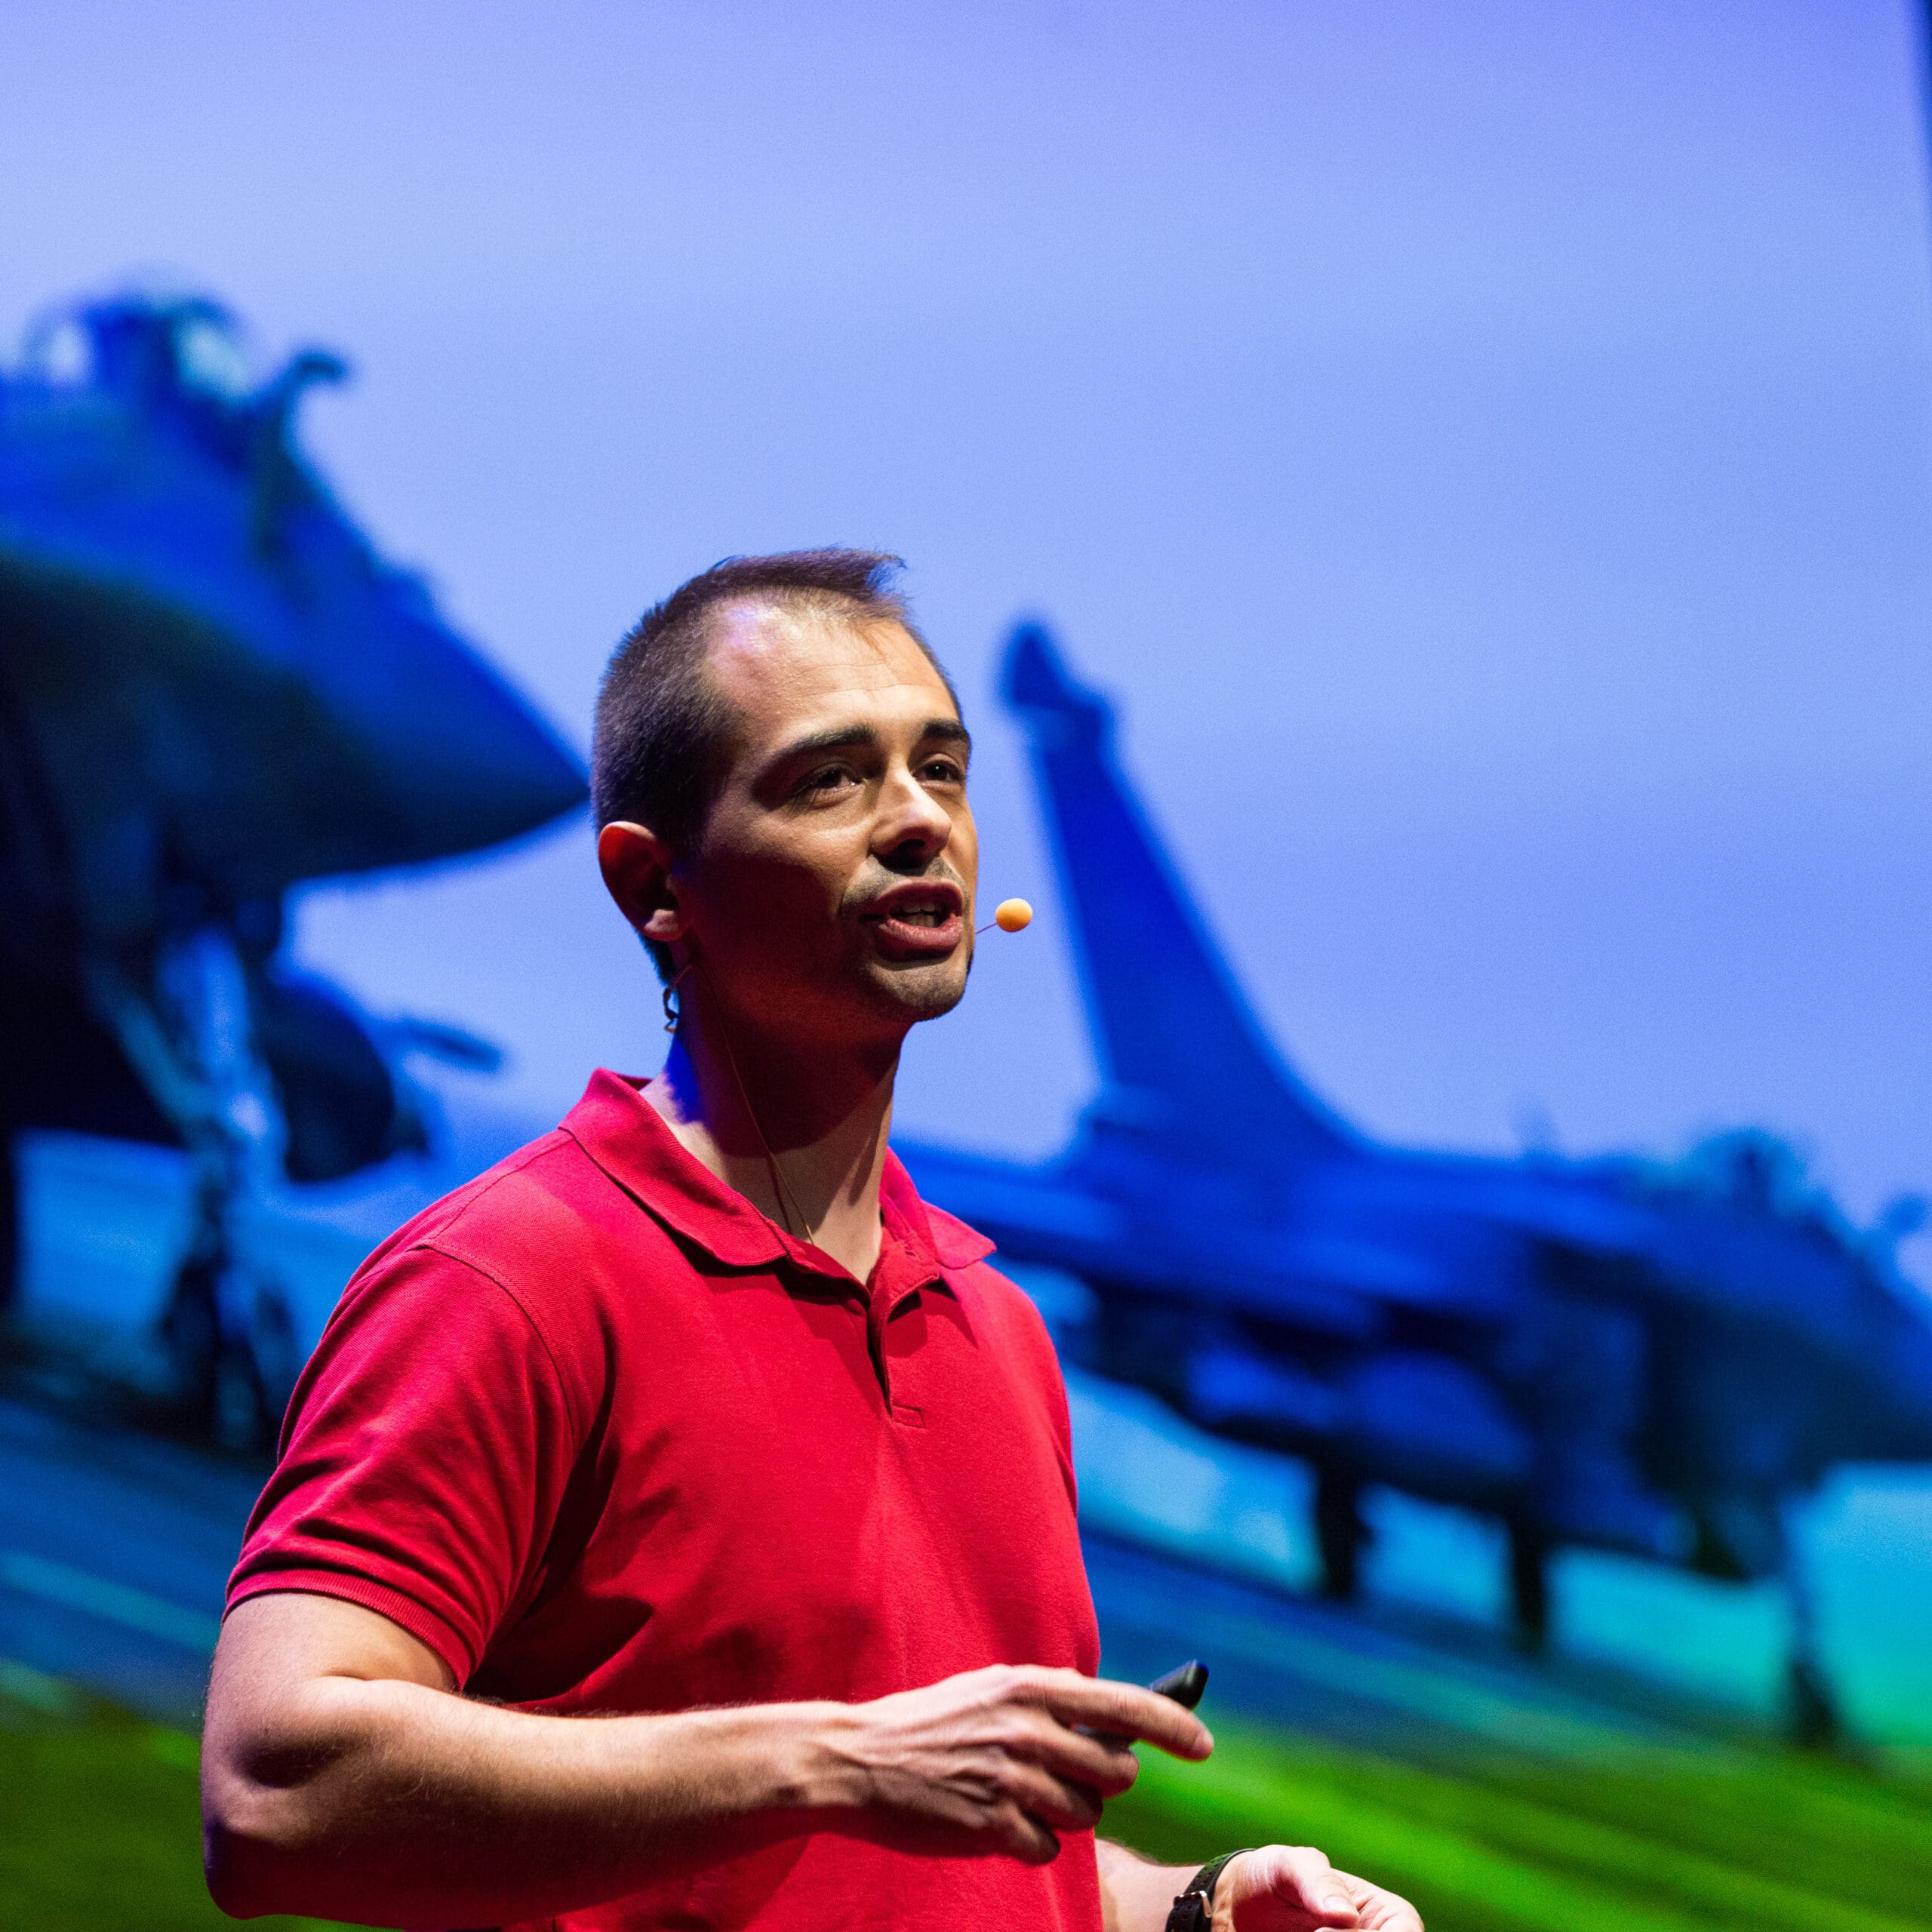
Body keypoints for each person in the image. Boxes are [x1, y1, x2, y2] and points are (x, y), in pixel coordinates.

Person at [201, 550, 1422, 1932]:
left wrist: (1196, 1908)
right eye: (833, 780)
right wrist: (833, 1758)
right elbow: (272, 1794)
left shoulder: (996, 1329)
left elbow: (947, 1870)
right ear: (653, 885)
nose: (920, 820)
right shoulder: (511, 1279)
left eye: (943, 770)